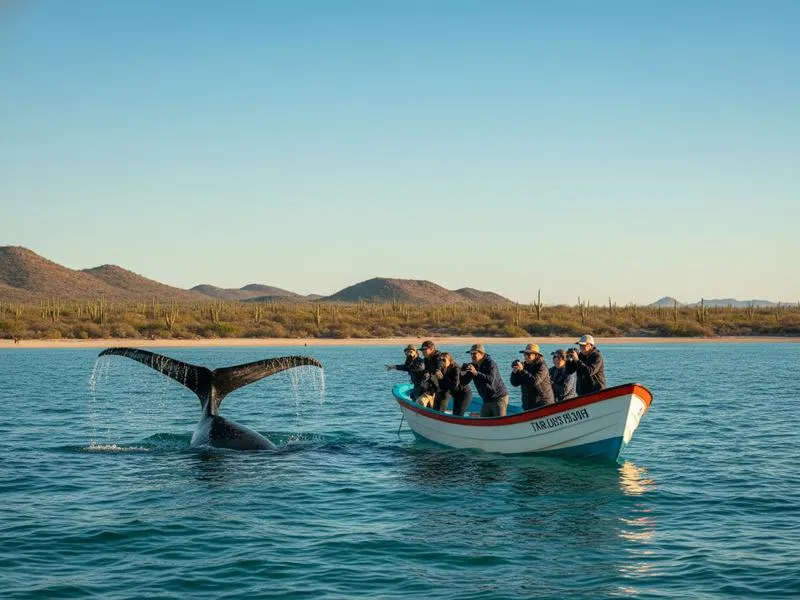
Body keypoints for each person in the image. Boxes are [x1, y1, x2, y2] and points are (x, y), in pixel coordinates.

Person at [460, 343, 509, 417]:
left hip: (499, 398)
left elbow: (491, 380)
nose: (472, 356)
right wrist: (461, 371)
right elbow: (463, 382)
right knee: (483, 422)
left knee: (499, 422)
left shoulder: (491, 364)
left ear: (482, 353)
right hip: (486, 399)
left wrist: (476, 373)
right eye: (471, 354)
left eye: (474, 354)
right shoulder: (473, 365)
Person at [510, 343, 554, 411]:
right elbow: (515, 383)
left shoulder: (542, 366)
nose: (526, 356)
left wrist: (522, 370)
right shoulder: (524, 365)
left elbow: (534, 381)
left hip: (543, 403)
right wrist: (514, 373)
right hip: (528, 404)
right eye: (525, 354)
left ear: (536, 355)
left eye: (528, 354)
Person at [419, 340, 446, 405]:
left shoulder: (439, 356)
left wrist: (438, 370)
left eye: (425, 349)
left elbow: (441, 362)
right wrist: (426, 374)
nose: (423, 351)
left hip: (445, 386)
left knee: (438, 407)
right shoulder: (426, 359)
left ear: (432, 349)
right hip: (435, 386)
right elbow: (427, 370)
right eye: (422, 350)